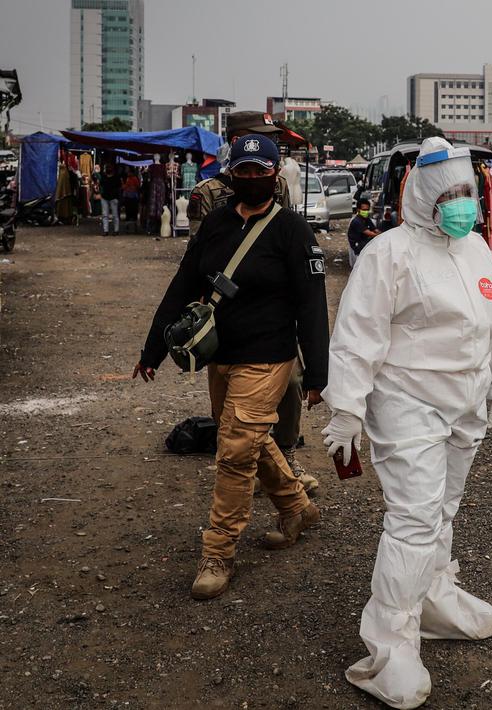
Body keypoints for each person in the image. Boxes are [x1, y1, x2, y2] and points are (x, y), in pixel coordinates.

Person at [323, 136, 492, 709]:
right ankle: (390, 645)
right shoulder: (389, 253)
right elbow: (358, 337)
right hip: (407, 402)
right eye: (451, 193)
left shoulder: (478, 250)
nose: (463, 203)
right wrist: (346, 408)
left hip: (466, 401)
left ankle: (434, 597)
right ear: (426, 194)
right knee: (413, 517)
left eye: (468, 193)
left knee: (444, 507)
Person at [133, 134, 330, 600]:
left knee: (235, 451)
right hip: (220, 357)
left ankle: (218, 552)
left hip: (269, 357)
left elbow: (312, 306)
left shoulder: (293, 232)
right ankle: (296, 505)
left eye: (260, 172)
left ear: (275, 174)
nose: (251, 179)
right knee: (246, 438)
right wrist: (152, 350)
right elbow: (183, 285)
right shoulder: (216, 224)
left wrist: (319, 373)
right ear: (231, 174)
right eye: (242, 171)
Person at [187, 111, 315, 493]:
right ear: (241, 138)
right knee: (232, 413)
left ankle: (286, 458)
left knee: (291, 383)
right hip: (228, 316)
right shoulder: (208, 193)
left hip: (274, 313)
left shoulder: (278, 187)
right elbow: (199, 258)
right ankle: (269, 478)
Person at [347, 197, 379, 266]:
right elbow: (370, 233)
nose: (366, 212)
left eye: (367, 210)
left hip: (364, 242)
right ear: (358, 210)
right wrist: (384, 236)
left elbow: (375, 230)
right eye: (364, 210)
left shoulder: (366, 219)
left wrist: (383, 234)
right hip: (357, 247)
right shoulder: (356, 221)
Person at [98, 163, 122, 236]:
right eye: (107, 168)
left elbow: (119, 187)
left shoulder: (116, 177)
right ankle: (106, 231)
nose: (108, 169)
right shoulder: (103, 177)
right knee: (105, 215)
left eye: (109, 168)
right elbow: (100, 185)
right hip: (105, 197)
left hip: (113, 197)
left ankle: (116, 230)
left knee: (114, 215)